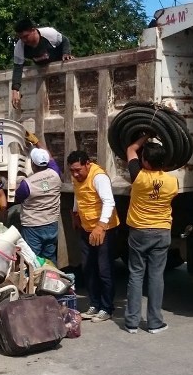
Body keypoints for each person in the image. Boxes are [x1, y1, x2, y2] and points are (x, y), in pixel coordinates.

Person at [122, 136, 178, 334]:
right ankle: (154, 323)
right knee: (156, 276)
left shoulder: (138, 176)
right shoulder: (172, 182)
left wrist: (145, 134)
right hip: (162, 231)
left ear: (144, 161)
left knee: (136, 274)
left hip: (139, 232)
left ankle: (131, 322)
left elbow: (131, 148)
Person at [68, 150, 119, 323]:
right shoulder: (77, 178)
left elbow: (109, 201)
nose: (75, 174)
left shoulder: (99, 177)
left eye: (78, 169)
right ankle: (94, 304)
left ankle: (107, 307)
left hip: (104, 229)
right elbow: (78, 195)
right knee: (88, 267)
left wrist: (101, 225)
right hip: (86, 228)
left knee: (104, 269)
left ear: (87, 164)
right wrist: (75, 213)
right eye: (72, 170)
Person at [14, 136, 62, 265]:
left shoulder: (27, 184)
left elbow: (18, 198)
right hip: (51, 224)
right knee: (49, 258)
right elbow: (50, 158)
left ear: (32, 164)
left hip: (33, 227)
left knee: (32, 260)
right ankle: (52, 282)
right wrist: (37, 142)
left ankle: (34, 283)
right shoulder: (55, 173)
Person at [11, 19, 74, 109]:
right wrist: (15, 90)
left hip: (59, 65)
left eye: (26, 36)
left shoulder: (49, 33)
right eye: (21, 38)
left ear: (33, 30)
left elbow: (65, 40)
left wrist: (66, 53)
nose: (24, 40)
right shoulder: (19, 46)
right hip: (43, 72)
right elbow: (18, 67)